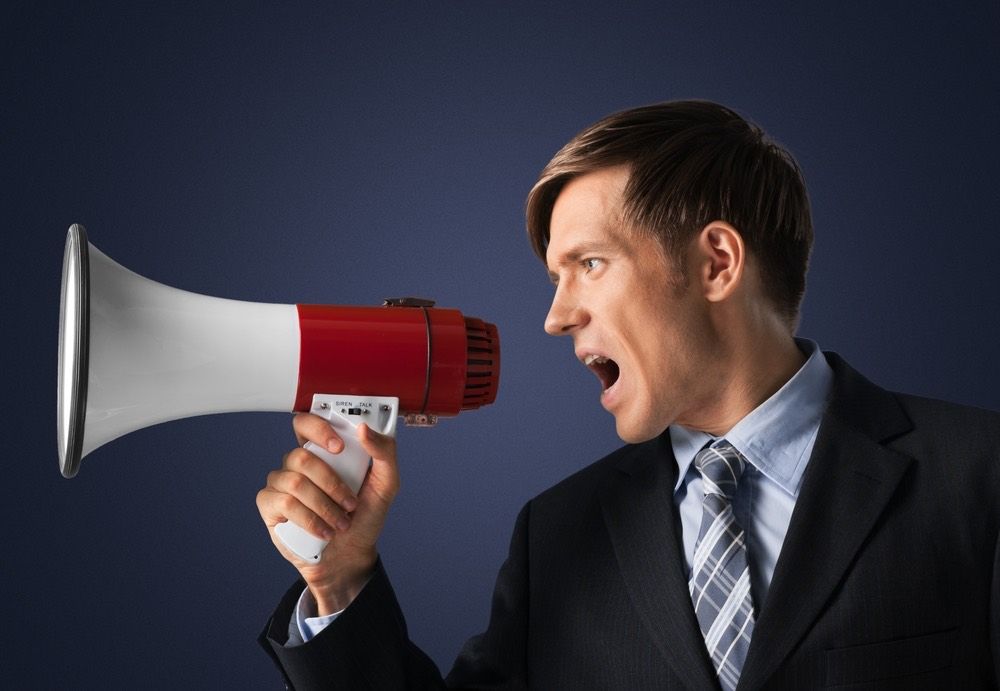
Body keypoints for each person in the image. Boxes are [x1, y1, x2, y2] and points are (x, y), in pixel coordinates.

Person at [255, 100, 1000, 690]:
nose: (555, 316)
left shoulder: (976, 478)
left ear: (715, 262)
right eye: (555, 277)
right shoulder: (557, 537)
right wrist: (342, 578)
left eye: (589, 263)